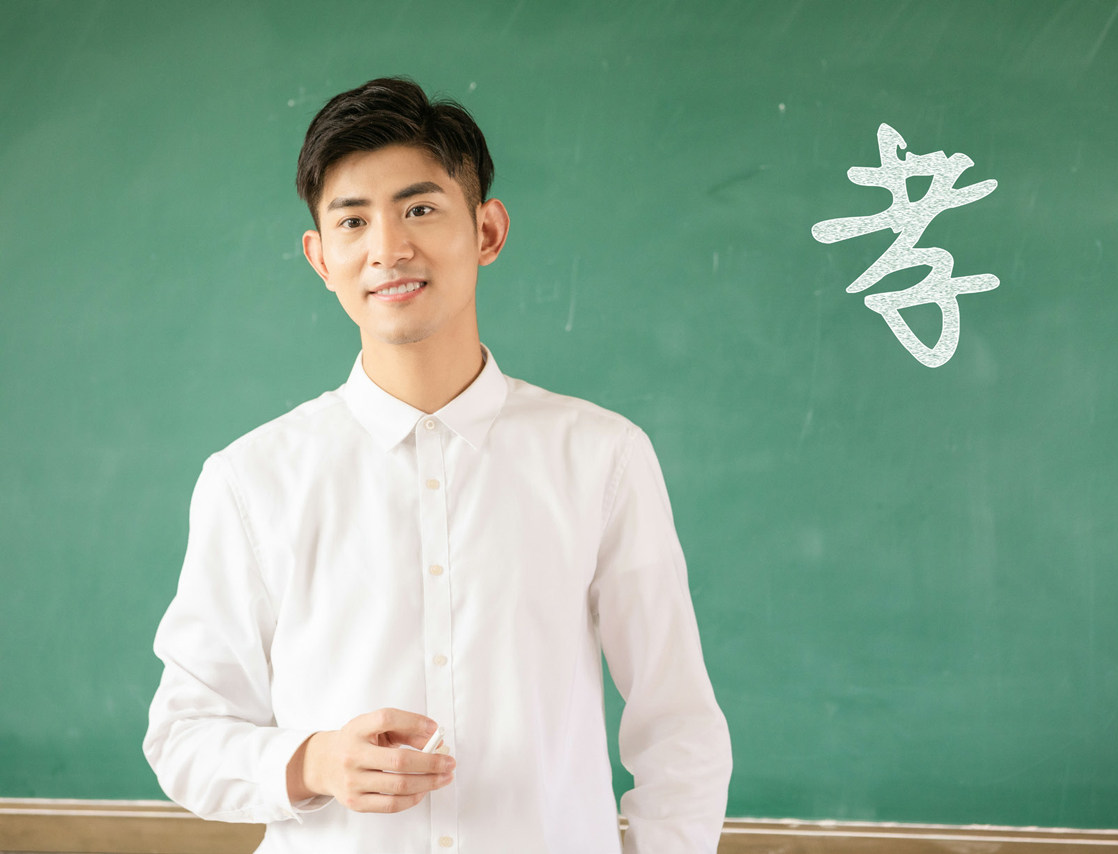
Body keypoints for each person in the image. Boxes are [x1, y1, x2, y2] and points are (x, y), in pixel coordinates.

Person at [143, 76, 732, 854]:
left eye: (419, 209)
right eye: (353, 221)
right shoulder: (253, 480)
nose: (388, 249)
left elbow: (678, 727)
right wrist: (313, 761)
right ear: (321, 258)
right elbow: (183, 734)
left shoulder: (601, 457)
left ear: (487, 230)